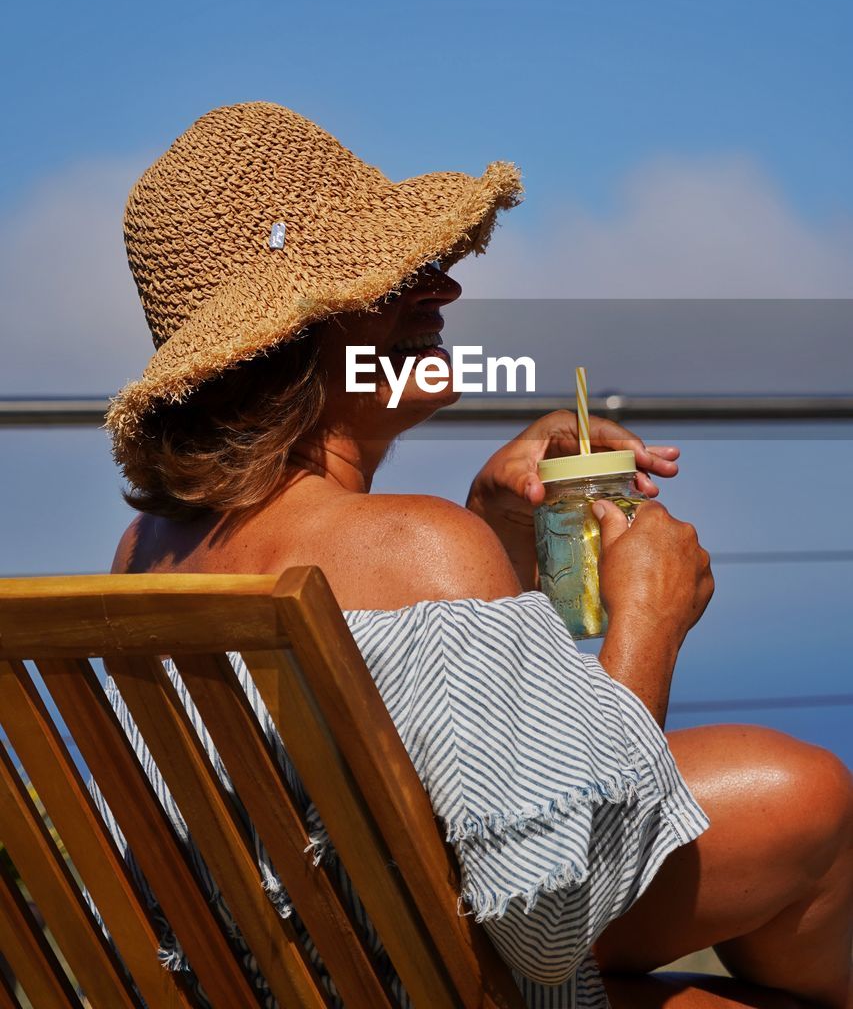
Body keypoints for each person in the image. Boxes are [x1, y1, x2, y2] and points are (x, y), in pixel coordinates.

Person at [102, 101, 852, 1009]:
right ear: (283, 341)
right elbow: (549, 927)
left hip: (302, 965)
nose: (445, 291)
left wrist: (486, 527)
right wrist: (648, 622)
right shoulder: (415, 548)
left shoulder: (149, 550)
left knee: (797, 795)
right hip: (443, 978)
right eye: (395, 279)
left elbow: (374, 783)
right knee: (816, 806)